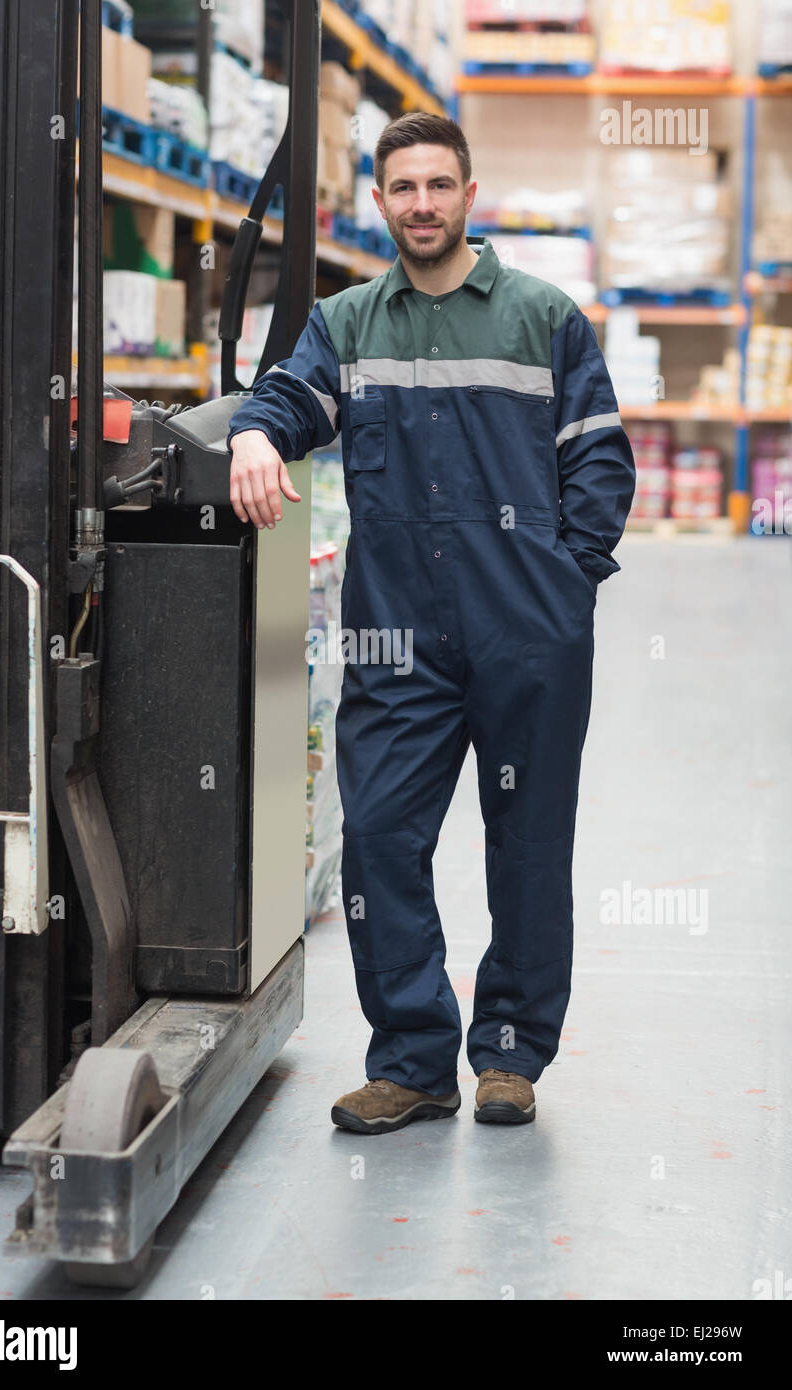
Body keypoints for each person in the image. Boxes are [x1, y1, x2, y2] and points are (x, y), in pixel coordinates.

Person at [226, 112, 635, 1136]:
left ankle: (507, 1052)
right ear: (377, 201)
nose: (420, 205)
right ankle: (411, 1057)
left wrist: (560, 583)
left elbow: (599, 457)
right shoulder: (350, 322)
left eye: (436, 185)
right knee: (376, 842)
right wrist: (252, 436)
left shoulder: (542, 317)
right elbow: (288, 398)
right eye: (401, 188)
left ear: (466, 192)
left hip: (525, 634)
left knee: (527, 846)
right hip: (395, 639)